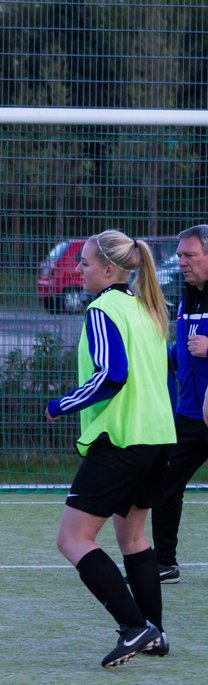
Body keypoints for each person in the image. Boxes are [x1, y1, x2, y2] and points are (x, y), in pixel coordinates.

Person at [46, 229, 174, 667]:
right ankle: (153, 632)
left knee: (72, 539)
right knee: (133, 537)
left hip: (121, 441)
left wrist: (61, 404)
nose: (78, 270)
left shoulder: (103, 309)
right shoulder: (146, 308)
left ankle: (134, 627)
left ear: (109, 269)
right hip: (157, 440)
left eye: (83, 263)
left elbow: (111, 376)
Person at [150, 223, 208, 584]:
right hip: (189, 415)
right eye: (180, 255)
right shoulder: (188, 294)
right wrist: (158, 359)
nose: (181, 261)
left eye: (189, 255)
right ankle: (164, 563)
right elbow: (185, 348)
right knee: (164, 485)